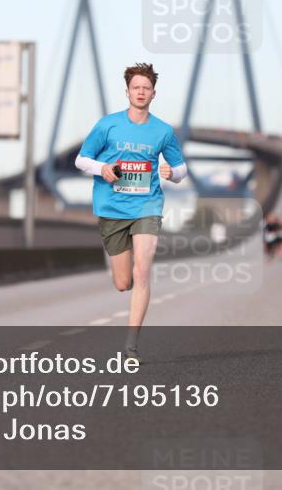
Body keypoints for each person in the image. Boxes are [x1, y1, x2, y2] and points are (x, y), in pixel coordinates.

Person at [74, 63, 187, 363]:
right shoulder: (107, 125)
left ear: (153, 93)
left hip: (147, 206)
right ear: (127, 92)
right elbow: (81, 160)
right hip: (112, 208)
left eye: (146, 88)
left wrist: (171, 173)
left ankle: (131, 346)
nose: (141, 92)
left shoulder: (163, 131)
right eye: (136, 87)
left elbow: (182, 170)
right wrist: (103, 168)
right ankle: (130, 308)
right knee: (123, 282)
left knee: (143, 269)